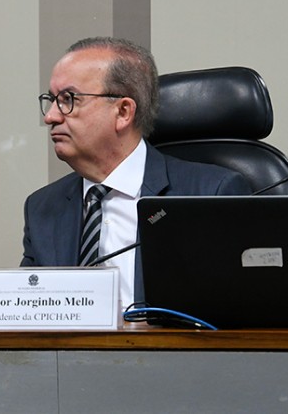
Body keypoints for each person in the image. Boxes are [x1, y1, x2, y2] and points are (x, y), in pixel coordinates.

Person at [21, 37, 250, 307]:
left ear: (123, 111)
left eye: (68, 100)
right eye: (51, 100)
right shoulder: (42, 208)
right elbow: (30, 311)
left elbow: (243, 309)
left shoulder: (212, 194)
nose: (50, 116)